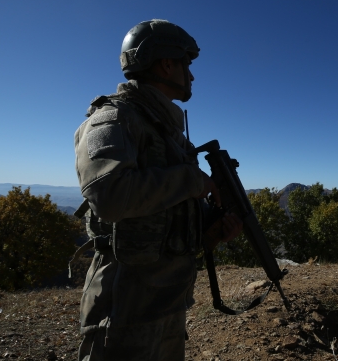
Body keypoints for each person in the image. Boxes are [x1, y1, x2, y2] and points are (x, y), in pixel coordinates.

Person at [74, 19, 243, 361]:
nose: (191, 76)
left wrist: (212, 226)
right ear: (166, 63)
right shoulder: (113, 119)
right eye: (186, 65)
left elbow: (165, 210)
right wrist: (193, 181)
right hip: (124, 309)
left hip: (167, 301)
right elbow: (110, 197)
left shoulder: (168, 132)